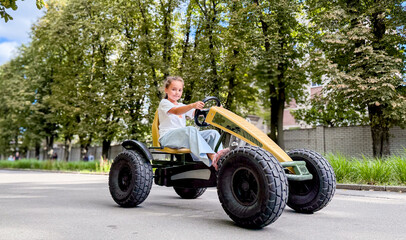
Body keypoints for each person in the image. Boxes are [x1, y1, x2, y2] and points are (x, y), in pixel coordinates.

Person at [158, 76, 230, 170]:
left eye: (180, 90)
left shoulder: (181, 105)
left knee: (213, 133)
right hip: (167, 137)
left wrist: (214, 110)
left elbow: (197, 113)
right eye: (174, 89)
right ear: (166, 90)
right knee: (190, 130)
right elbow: (176, 111)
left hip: (182, 137)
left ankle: (221, 159)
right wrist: (192, 105)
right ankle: (213, 157)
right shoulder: (164, 103)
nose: (177, 93)